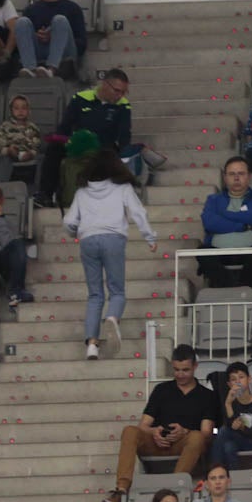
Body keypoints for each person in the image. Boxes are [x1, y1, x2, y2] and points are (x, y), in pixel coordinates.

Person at [101, 344, 218, 502]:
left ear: (195, 367)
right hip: (157, 443)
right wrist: (154, 432)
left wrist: (184, 432)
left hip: (184, 446)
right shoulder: (162, 390)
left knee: (197, 437)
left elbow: (207, 432)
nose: (180, 375)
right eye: (176, 370)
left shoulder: (207, 396)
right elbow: (144, 425)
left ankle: (171, 491)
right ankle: (121, 490)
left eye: (185, 370)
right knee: (130, 431)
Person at [63, 150, 155, 360]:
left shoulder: (82, 191)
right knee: (117, 291)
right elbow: (138, 212)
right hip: (113, 239)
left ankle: (92, 345)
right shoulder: (122, 188)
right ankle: (112, 318)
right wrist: (150, 237)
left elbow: (69, 222)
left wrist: (75, 233)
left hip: (87, 240)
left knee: (95, 295)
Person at [38, 68, 149, 204]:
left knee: (118, 156)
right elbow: (64, 127)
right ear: (105, 85)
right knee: (54, 148)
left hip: (104, 148)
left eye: (124, 92)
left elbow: (124, 136)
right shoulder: (80, 98)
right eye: (117, 91)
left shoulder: (123, 106)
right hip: (79, 145)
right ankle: (45, 195)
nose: (120, 95)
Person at [197, 155, 252, 289]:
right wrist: (243, 226)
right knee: (203, 252)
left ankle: (242, 288)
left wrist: (224, 214)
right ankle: (229, 287)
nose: (236, 178)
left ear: (249, 176)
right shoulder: (213, 199)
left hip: (251, 252)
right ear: (225, 178)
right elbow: (209, 222)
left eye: (241, 173)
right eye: (232, 174)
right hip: (219, 252)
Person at [14, 0, 87, 77]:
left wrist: (56, 37)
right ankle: (30, 70)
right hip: (40, 51)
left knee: (60, 20)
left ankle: (52, 69)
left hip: (65, 52)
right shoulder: (31, 10)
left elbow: (82, 44)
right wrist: (37, 36)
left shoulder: (72, 8)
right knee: (21, 22)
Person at [211, 360, 252, 470]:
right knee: (229, 446)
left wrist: (242, 427)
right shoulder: (230, 403)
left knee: (224, 431)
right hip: (237, 441)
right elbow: (231, 427)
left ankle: (214, 471)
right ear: (229, 384)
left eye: (241, 377)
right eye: (233, 379)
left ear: (249, 379)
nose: (238, 381)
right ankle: (234, 479)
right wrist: (228, 404)